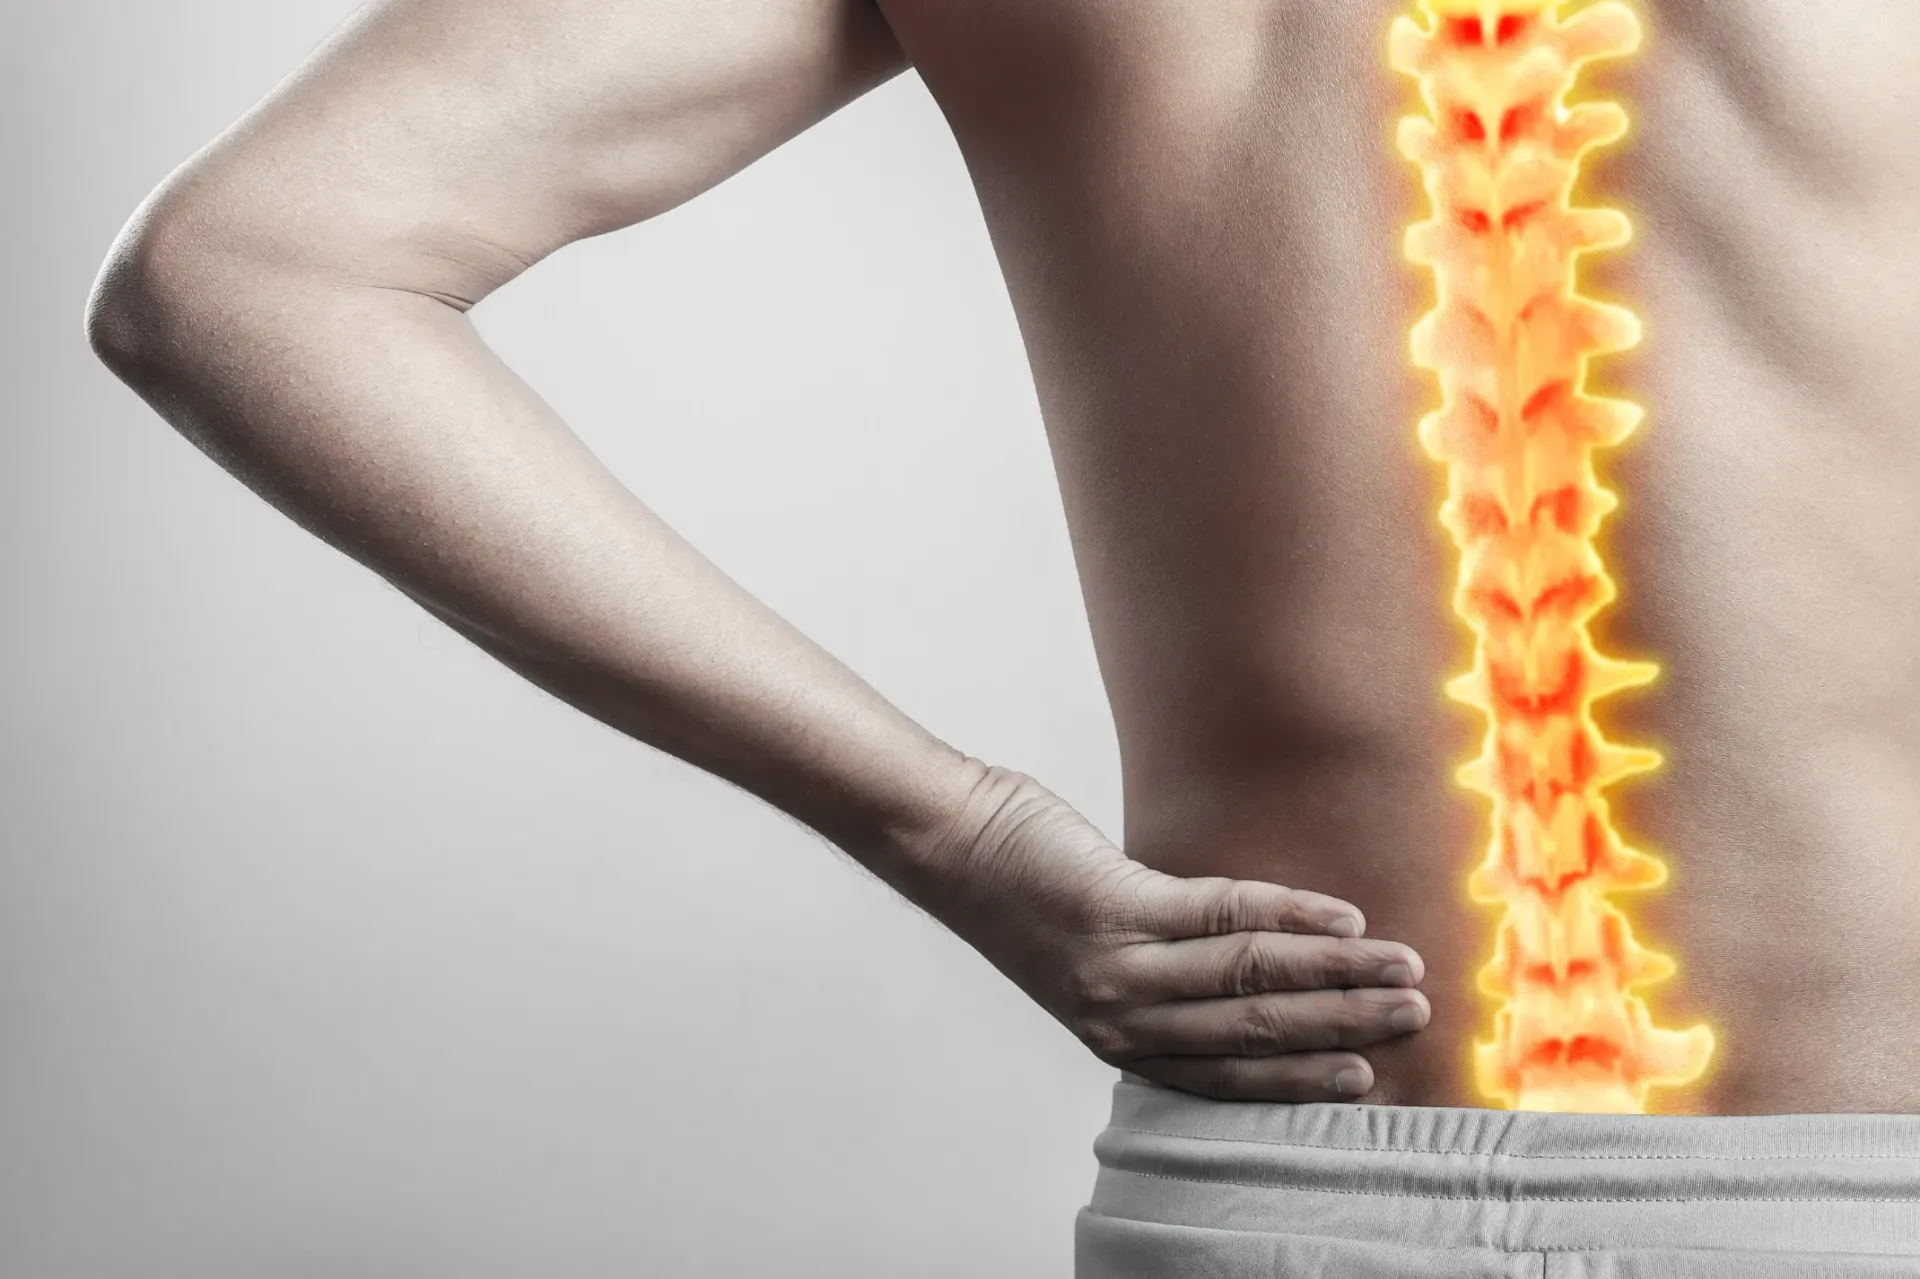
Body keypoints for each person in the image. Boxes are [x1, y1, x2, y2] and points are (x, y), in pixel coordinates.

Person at [82, 0, 1920, 1272]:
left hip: (1275, 1200)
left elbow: (238, 263)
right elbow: (233, 281)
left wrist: (955, 828)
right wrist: (943, 823)